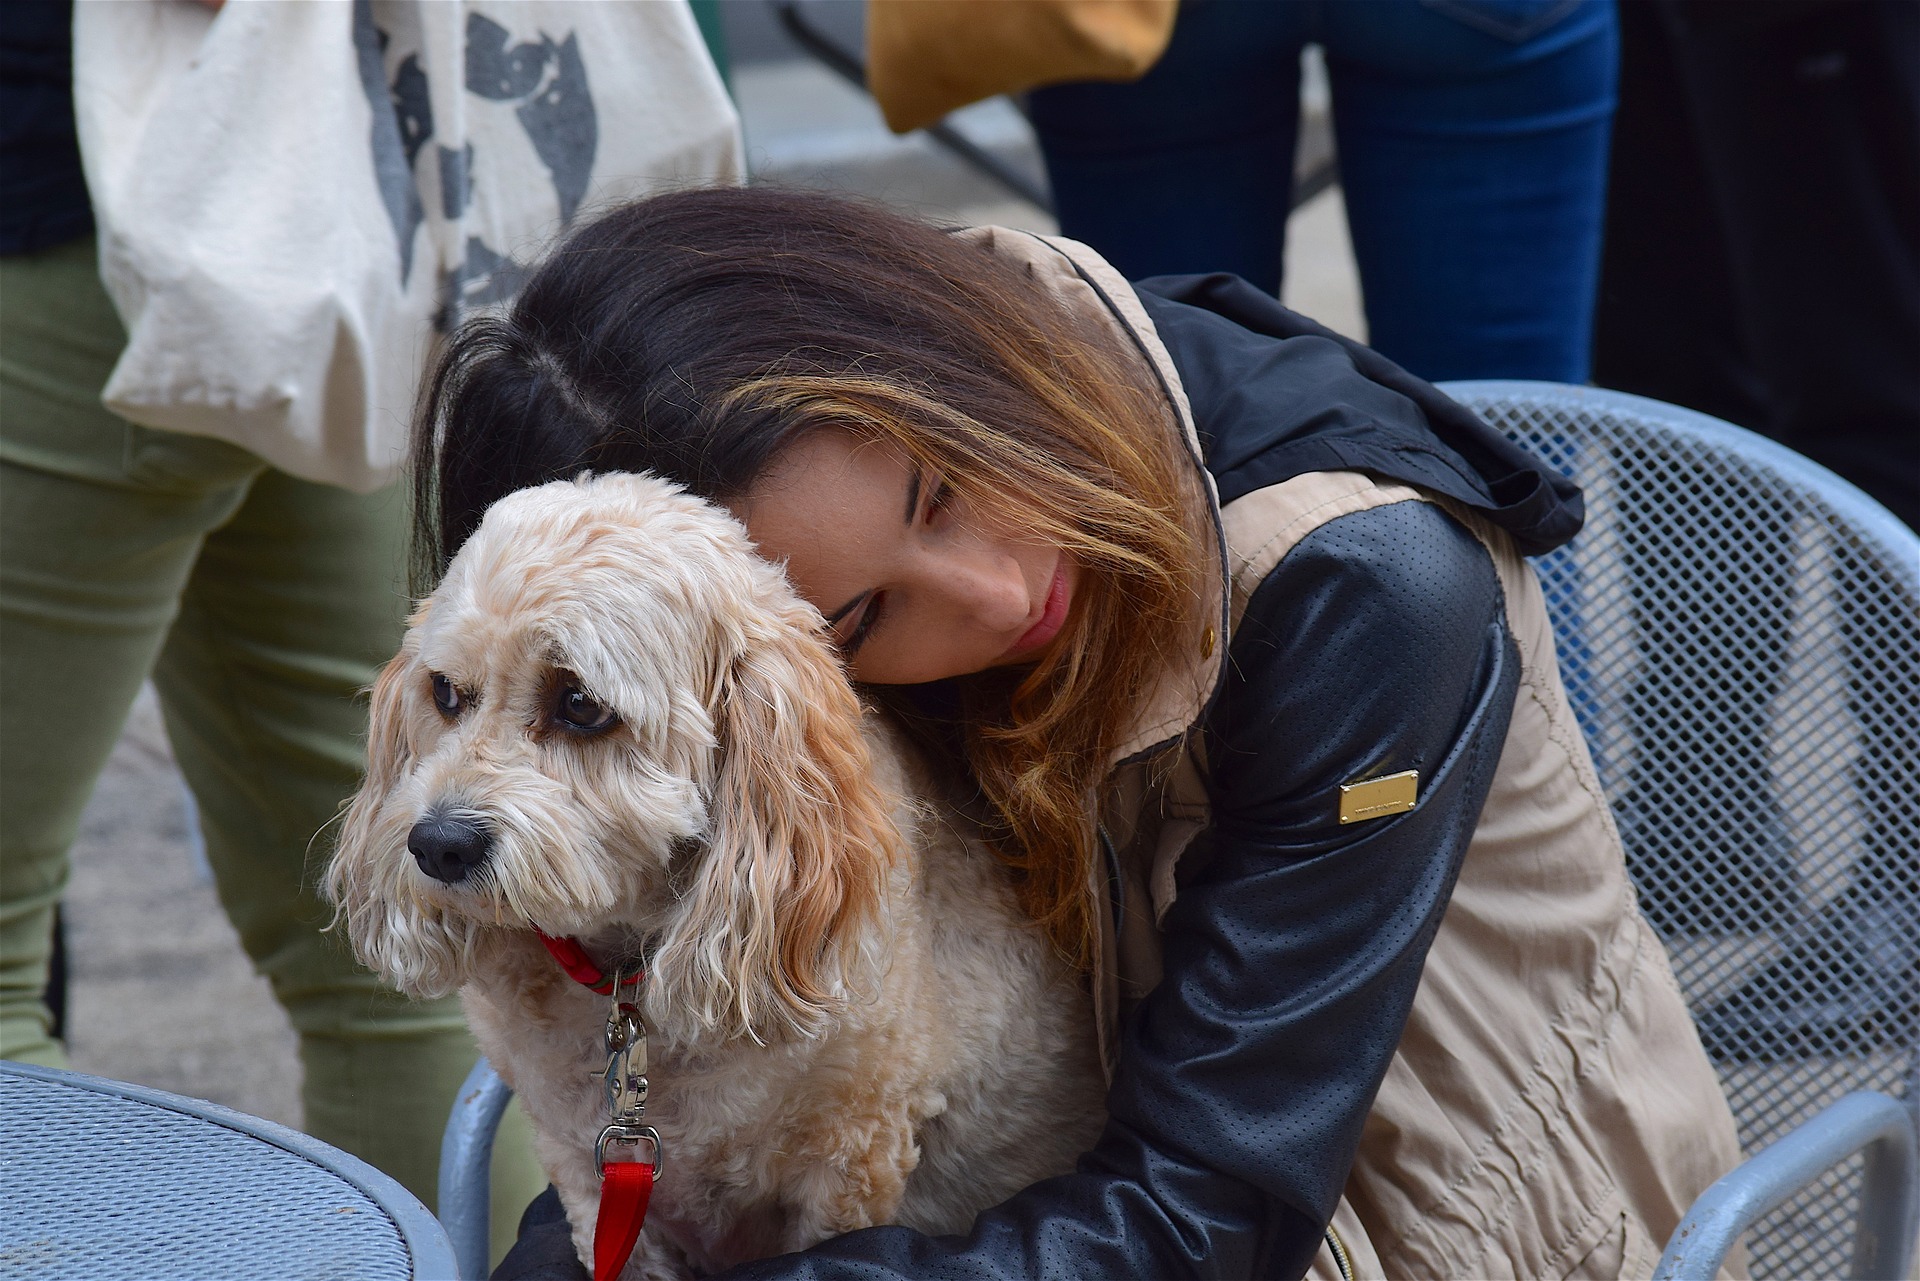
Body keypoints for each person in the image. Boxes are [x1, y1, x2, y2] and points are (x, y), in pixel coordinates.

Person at [413, 187, 1742, 1280]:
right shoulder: (762, 670)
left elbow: (1213, 1207)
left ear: (920, 341)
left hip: (1428, 1234)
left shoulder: (1361, 587)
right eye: (868, 616)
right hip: (1021, 1193)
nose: (997, 593)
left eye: (943, 484)